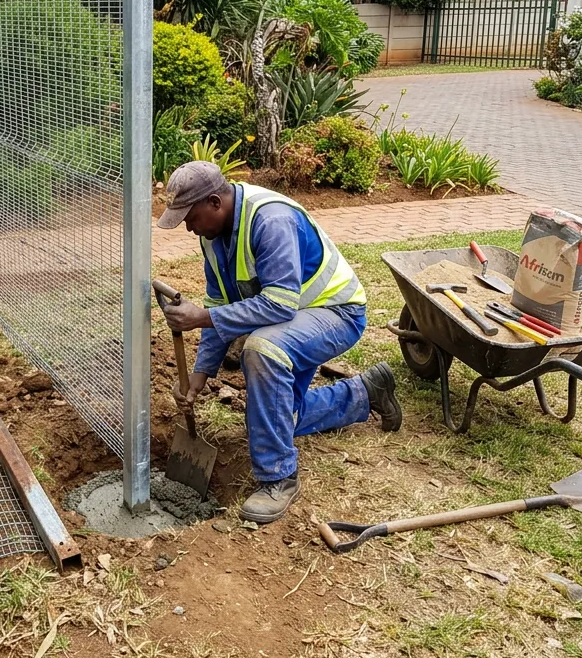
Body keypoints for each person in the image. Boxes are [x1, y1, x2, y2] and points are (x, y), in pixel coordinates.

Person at [158, 161, 401, 523]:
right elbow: (218, 304)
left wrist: (201, 317)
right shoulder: (212, 237)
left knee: (260, 349)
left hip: (336, 314)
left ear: (214, 202)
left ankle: (278, 478)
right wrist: (199, 376)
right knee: (271, 418)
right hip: (295, 321)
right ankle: (366, 393)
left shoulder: (271, 221)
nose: (189, 228)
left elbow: (280, 304)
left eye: (190, 218)